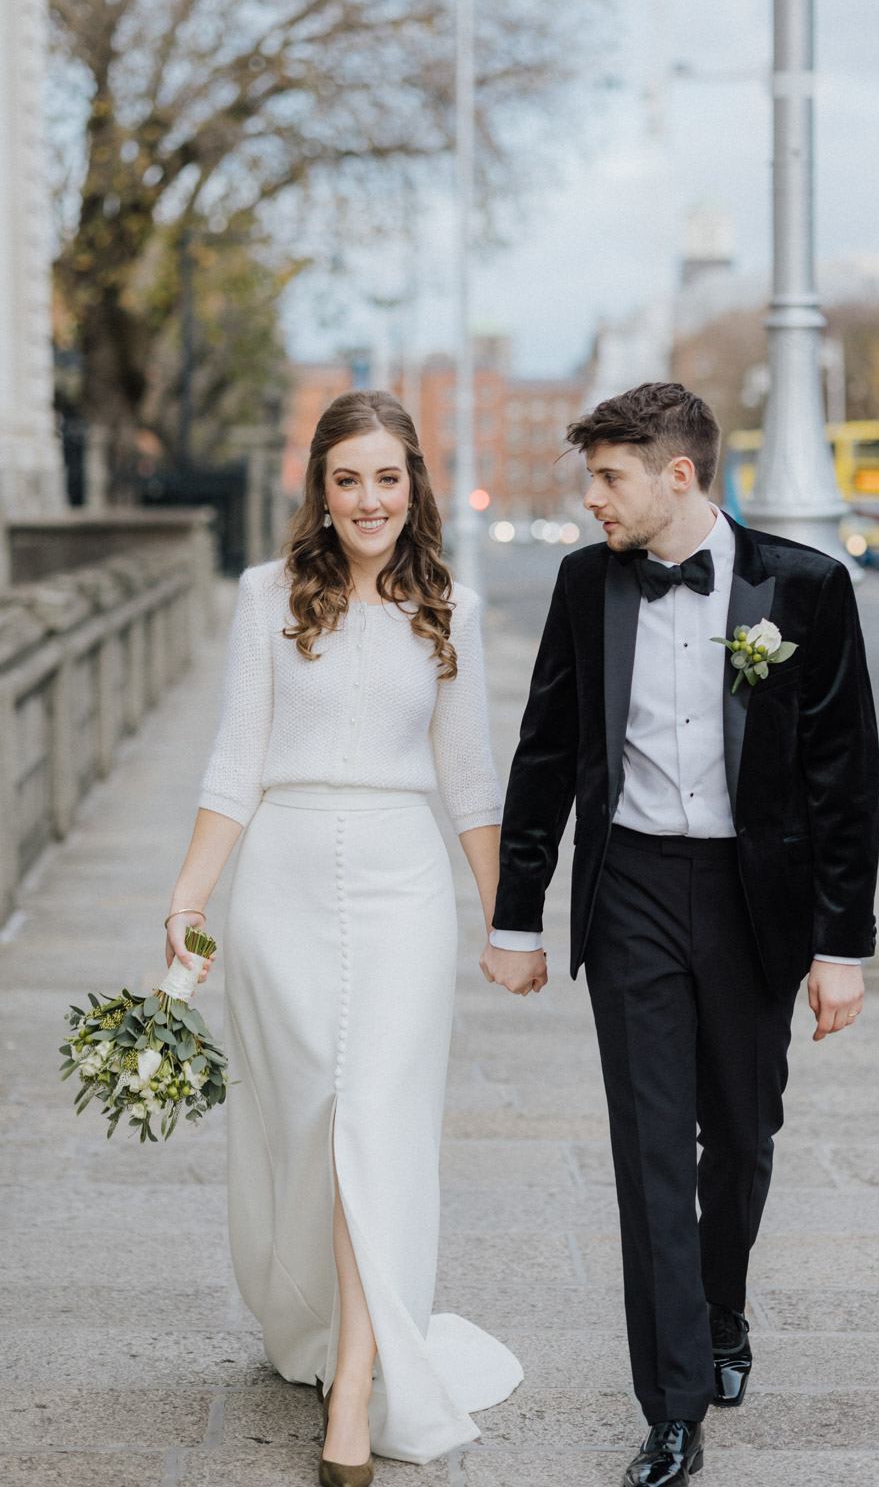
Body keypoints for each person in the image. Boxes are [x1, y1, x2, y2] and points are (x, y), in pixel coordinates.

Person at [481, 383, 879, 1487]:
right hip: (635, 893)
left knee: (743, 1137)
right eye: (589, 476)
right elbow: (547, 753)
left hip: (756, 898)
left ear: (678, 475)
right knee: (651, 1153)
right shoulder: (581, 585)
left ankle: (721, 1307)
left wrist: (842, 948)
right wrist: (516, 914)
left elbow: (845, 779)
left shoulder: (804, 588)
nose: (590, 498)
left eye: (607, 477)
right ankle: (671, 1407)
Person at [166, 391, 522, 1487]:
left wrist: (505, 921)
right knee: (312, 1124)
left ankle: (357, 1389)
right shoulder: (264, 596)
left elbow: (467, 780)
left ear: (413, 485)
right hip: (280, 887)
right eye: (346, 478)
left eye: (387, 477)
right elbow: (235, 756)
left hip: (402, 885)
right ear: (318, 490)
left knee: (374, 1121)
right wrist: (187, 901)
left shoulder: (448, 606)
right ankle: (320, 1325)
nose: (368, 500)